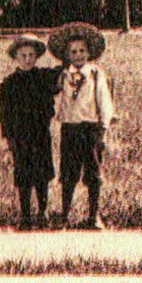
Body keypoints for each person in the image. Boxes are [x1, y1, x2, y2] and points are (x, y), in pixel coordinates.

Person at [48, 21, 115, 230]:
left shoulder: (95, 74)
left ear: (89, 52)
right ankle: (64, 215)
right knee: (68, 173)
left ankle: (93, 216)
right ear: (67, 54)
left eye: (82, 51)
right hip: (70, 128)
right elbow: (53, 91)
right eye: (73, 52)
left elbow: (105, 102)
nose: (78, 55)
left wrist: (104, 128)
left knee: (93, 173)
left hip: (91, 129)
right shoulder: (63, 75)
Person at [0, 34, 60, 230]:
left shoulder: (42, 77)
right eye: (23, 55)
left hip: (40, 133)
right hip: (20, 135)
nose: (27, 59)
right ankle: (25, 216)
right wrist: (8, 136)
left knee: (42, 174)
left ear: (37, 57)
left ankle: (42, 213)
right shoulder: (9, 83)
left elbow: (61, 73)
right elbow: (3, 112)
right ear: (16, 57)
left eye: (31, 55)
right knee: (23, 174)